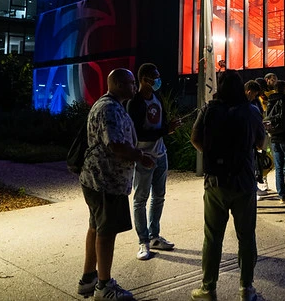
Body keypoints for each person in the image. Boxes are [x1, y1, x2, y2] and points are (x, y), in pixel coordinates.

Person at [78, 68, 153, 300]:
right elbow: (115, 145)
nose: (135, 87)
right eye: (131, 83)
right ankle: (104, 286)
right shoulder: (109, 108)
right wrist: (141, 157)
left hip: (100, 179)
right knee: (106, 231)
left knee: (96, 226)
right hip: (106, 180)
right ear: (119, 84)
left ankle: (88, 279)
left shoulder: (110, 105)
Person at [190, 70, 265, 301]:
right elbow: (261, 143)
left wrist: (212, 155)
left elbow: (195, 138)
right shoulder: (251, 111)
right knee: (246, 236)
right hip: (244, 181)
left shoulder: (209, 109)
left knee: (212, 237)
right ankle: (246, 289)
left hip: (215, 182)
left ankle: (208, 288)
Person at [127, 63, 180, 261]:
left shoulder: (156, 99)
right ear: (143, 80)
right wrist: (165, 130)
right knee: (140, 199)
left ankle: (154, 235)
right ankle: (143, 241)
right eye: (154, 77)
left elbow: (160, 125)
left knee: (159, 196)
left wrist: (169, 126)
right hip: (143, 156)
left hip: (160, 153)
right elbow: (138, 132)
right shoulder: (135, 103)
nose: (158, 80)